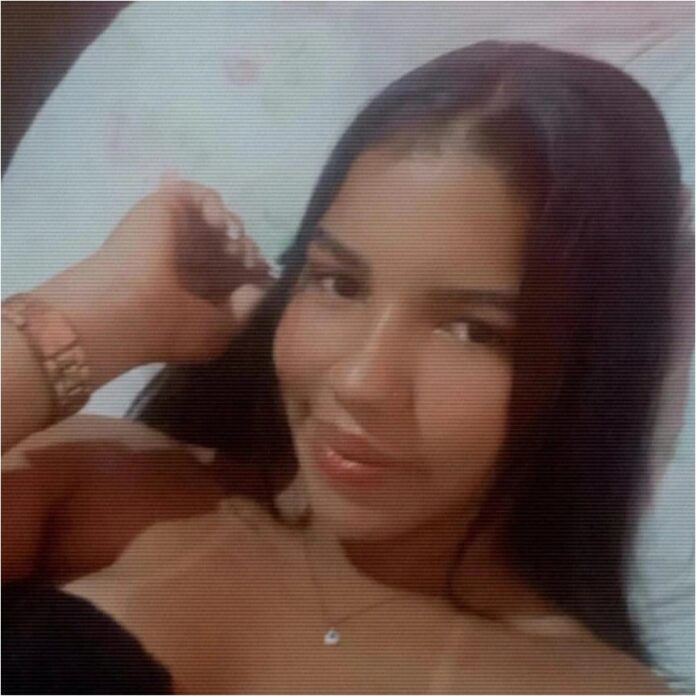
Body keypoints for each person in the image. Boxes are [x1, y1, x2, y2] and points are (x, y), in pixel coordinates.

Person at [2, 40, 691, 694]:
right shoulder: (99, 481)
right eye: (338, 283)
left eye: (471, 330)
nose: (361, 381)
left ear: (588, 369)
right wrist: (96, 317)